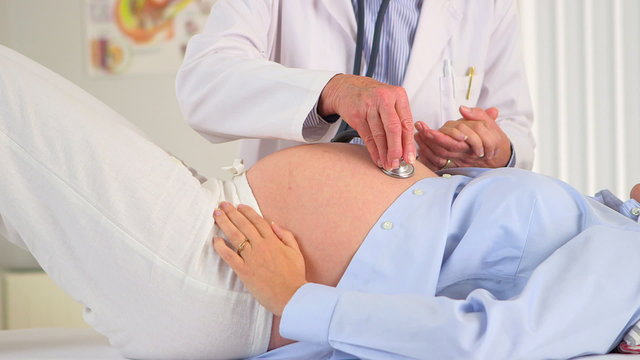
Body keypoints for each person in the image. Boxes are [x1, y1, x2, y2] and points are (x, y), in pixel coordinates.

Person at [1, 47, 639, 360]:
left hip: (223, 274)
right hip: (226, 241)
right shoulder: (609, 224)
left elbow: (487, 344)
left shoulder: (630, 251)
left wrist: (295, 300)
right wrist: (485, 160)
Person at [175, 0, 535, 172]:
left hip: (429, 238)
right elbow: (203, 84)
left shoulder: (489, 7)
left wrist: (495, 149)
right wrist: (329, 91)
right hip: (293, 232)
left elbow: (515, 129)